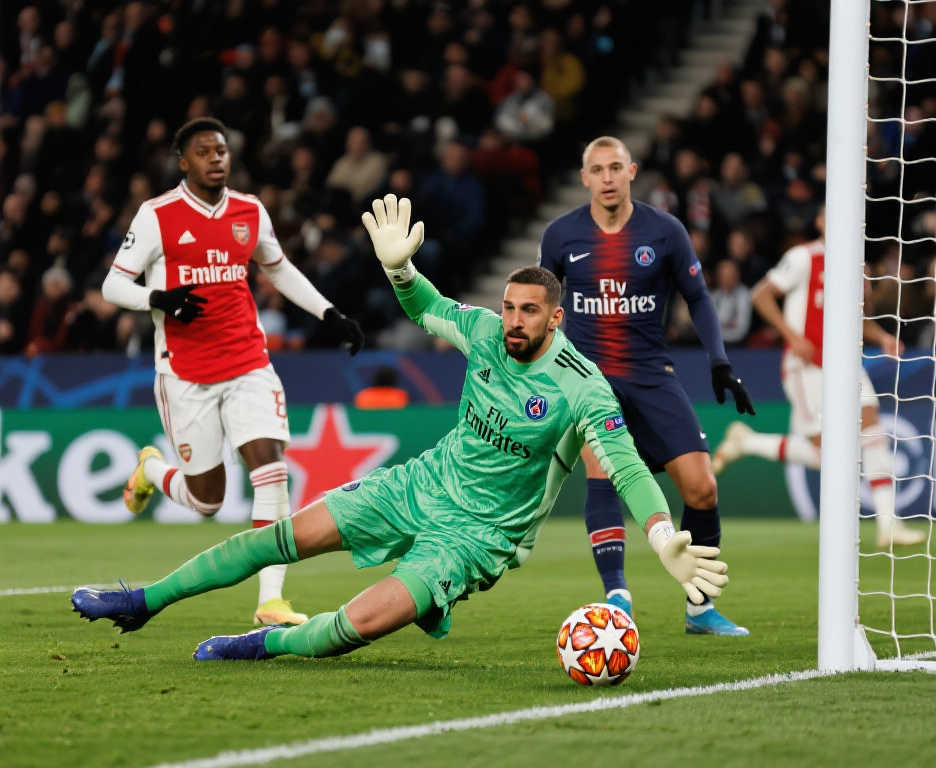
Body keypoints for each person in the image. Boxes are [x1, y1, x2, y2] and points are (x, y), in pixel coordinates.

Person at [71, 194, 730, 661]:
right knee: (280, 538)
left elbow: (625, 465)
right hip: (420, 485)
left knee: (355, 626)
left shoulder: (582, 385)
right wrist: (400, 270)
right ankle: (144, 600)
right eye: (508, 307)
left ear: (556, 318)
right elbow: (427, 307)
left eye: (529, 311)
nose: (513, 320)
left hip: (476, 538)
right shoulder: (485, 333)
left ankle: (268, 642)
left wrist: (662, 535)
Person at [99, 117, 365, 627]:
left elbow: (277, 266)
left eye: (221, 150)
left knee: (271, 470)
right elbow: (113, 285)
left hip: (248, 362)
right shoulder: (157, 215)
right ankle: (151, 469)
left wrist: (328, 312)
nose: (215, 158)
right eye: (204, 152)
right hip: (185, 373)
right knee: (207, 501)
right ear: (184, 162)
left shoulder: (249, 210)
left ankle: (271, 601)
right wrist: (158, 298)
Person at [538, 136, 755, 636]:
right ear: (584, 178)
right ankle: (617, 596)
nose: (608, 178)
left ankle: (700, 607)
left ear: (632, 171)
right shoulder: (561, 235)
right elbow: (541, 301)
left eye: (616, 168)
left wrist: (719, 360)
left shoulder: (664, 231)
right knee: (602, 470)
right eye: (598, 170)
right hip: (590, 380)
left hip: (652, 375)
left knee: (702, 487)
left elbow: (698, 297)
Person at [712, 208, 925, 548]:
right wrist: (792, 337)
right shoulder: (803, 257)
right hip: (806, 366)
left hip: (846, 364)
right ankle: (748, 442)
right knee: (827, 454)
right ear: (820, 222)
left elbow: (859, 319)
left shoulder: (859, 266)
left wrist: (882, 337)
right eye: (830, 216)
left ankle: (889, 525)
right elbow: (760, 295)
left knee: (872, 426)